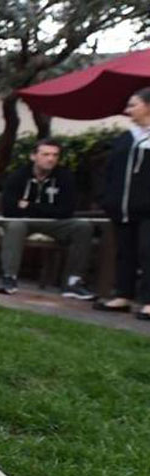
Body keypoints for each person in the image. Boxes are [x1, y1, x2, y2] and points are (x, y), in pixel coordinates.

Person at [0, 139, 96, 299]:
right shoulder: (18, 176)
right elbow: (9, 209)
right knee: (15, 225)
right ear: (33, 156)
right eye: (46, 154)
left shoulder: (65, 177)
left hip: (54, 224)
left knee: (82, 226)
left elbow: (66, 211)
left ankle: (73, 282)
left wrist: (28, 206)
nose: (51, 159)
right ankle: (9, 278)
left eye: (55, 155)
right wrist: (46, 210)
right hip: (23, 222)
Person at [94, 87, 150, 320]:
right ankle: (123, 295)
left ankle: (148, 301)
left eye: (133, 105)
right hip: (122, 208)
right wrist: (107, 198)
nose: (128, 110)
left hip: (148, 209)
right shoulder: (125, 138)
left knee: (148, 252)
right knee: (125, 252)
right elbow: (109, 172)